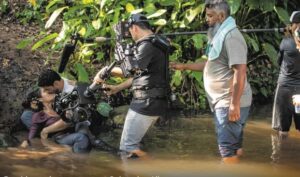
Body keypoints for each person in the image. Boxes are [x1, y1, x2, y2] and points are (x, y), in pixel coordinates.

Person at [170, 0, 252, 163]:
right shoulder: (220, 35)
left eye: (210, 16)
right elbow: (211, 64)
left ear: (221, 16)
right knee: (235, 147)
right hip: (226, 101)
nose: (206, 19)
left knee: (227, 151)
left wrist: (234, 104)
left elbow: (240, 71)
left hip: (228, 101)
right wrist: (184, 66)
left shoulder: (231, 37)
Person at [94, 13, 169, 158]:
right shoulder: (157, 43)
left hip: (145, 102)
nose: (129, 34)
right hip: (155, 101)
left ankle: (157, 167)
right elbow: (140, 74)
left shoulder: (147, 45)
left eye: (129, 31)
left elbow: (130, 70)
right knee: (135, 145)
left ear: (134, 28)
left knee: (127, 147)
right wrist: (117, 88)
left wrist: (105, 71)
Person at [20, 88, 91, 153]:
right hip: (60, 137)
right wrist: (26, 142)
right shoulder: (38, 116)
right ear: (41, 99)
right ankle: (76, 159)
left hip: (74, 128)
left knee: (82, 125)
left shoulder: (61, 101)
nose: (48, 90)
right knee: (82, 138)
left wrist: (46, 130)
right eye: (45, 91)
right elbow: (32, 133)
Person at [272, 11, 300, 136]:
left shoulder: (286, 42)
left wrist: (287, 36)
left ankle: (283, 153)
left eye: (292, 23)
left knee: (283, 130)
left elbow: (279, 61)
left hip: (285, 87)